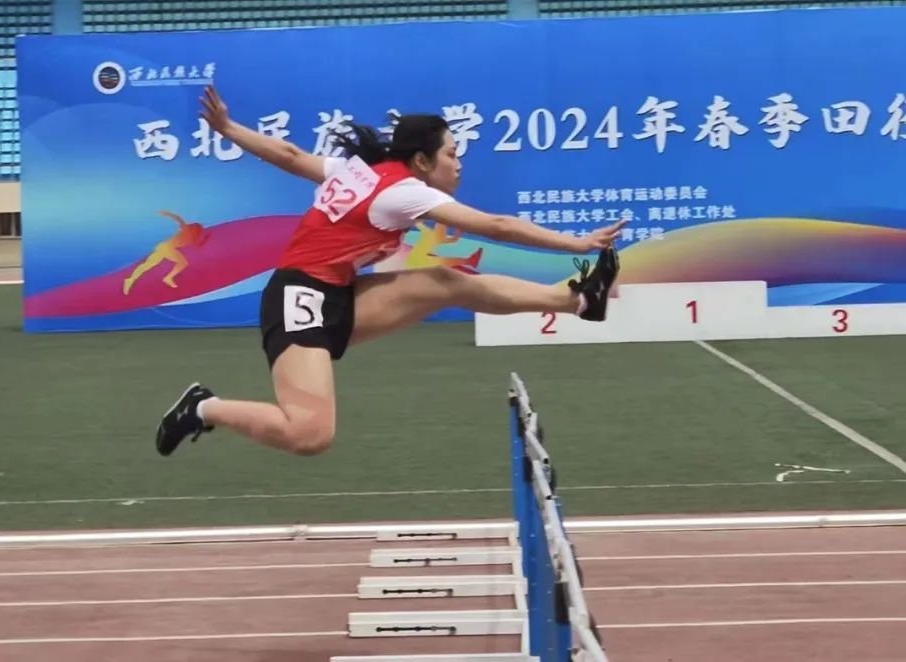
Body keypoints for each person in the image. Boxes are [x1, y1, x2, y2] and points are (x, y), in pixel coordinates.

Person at [155, 86, 622, 458]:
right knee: (309, 435)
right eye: (451, 154)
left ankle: (580, 300)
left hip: (339, 292)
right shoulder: (402, 192)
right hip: (298, 300)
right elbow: (497, 225)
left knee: (445, 281)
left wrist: (228, 128)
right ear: (421, 162)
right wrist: (576, 243)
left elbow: (292, 157)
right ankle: (204, 408)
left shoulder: (363, 172)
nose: (459, 164)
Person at [123, 209, 211, 295]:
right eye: (198, 229)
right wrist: (167, 213)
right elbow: (179, 219)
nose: (198, 231)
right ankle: (166, 278)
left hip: (164, 247)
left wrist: (205, 239)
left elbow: (197, 245)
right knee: (180, 263)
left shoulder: (191, 238)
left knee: (149, 265)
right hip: (166, 247)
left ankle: (131, 280)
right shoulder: (186, 231)